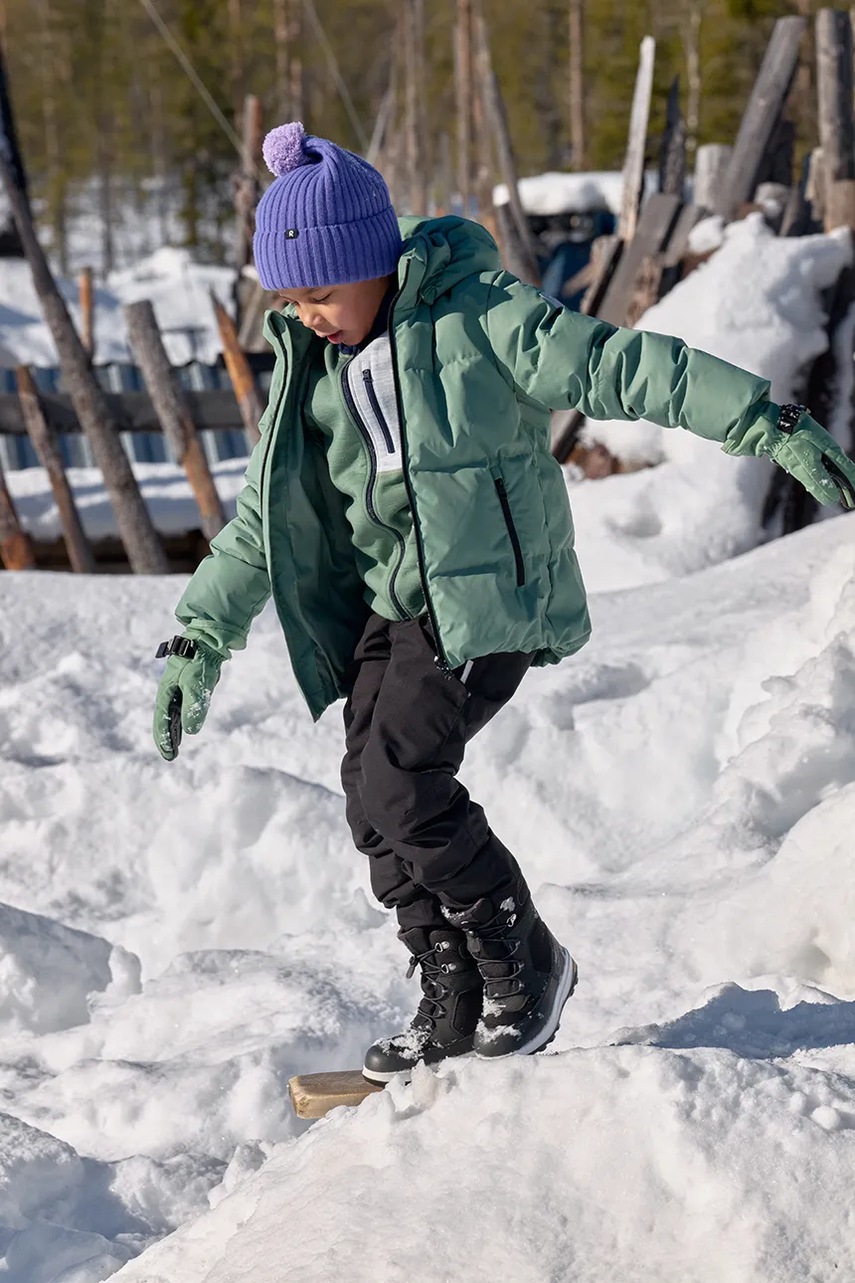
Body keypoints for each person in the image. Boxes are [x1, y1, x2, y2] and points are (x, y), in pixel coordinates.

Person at [153, 121, 855, 1084]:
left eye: (320, 292)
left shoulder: (481, 316)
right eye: (291, 300)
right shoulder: (313, 372)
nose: (306, 315)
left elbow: (617, 365)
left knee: (405, 784)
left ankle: (524, 961)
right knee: (370, 799)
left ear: (372, 260)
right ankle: (450, 988)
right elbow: (261, 527)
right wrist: (198, 637)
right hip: (391, 610)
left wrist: (760, 419)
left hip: (485, 604)